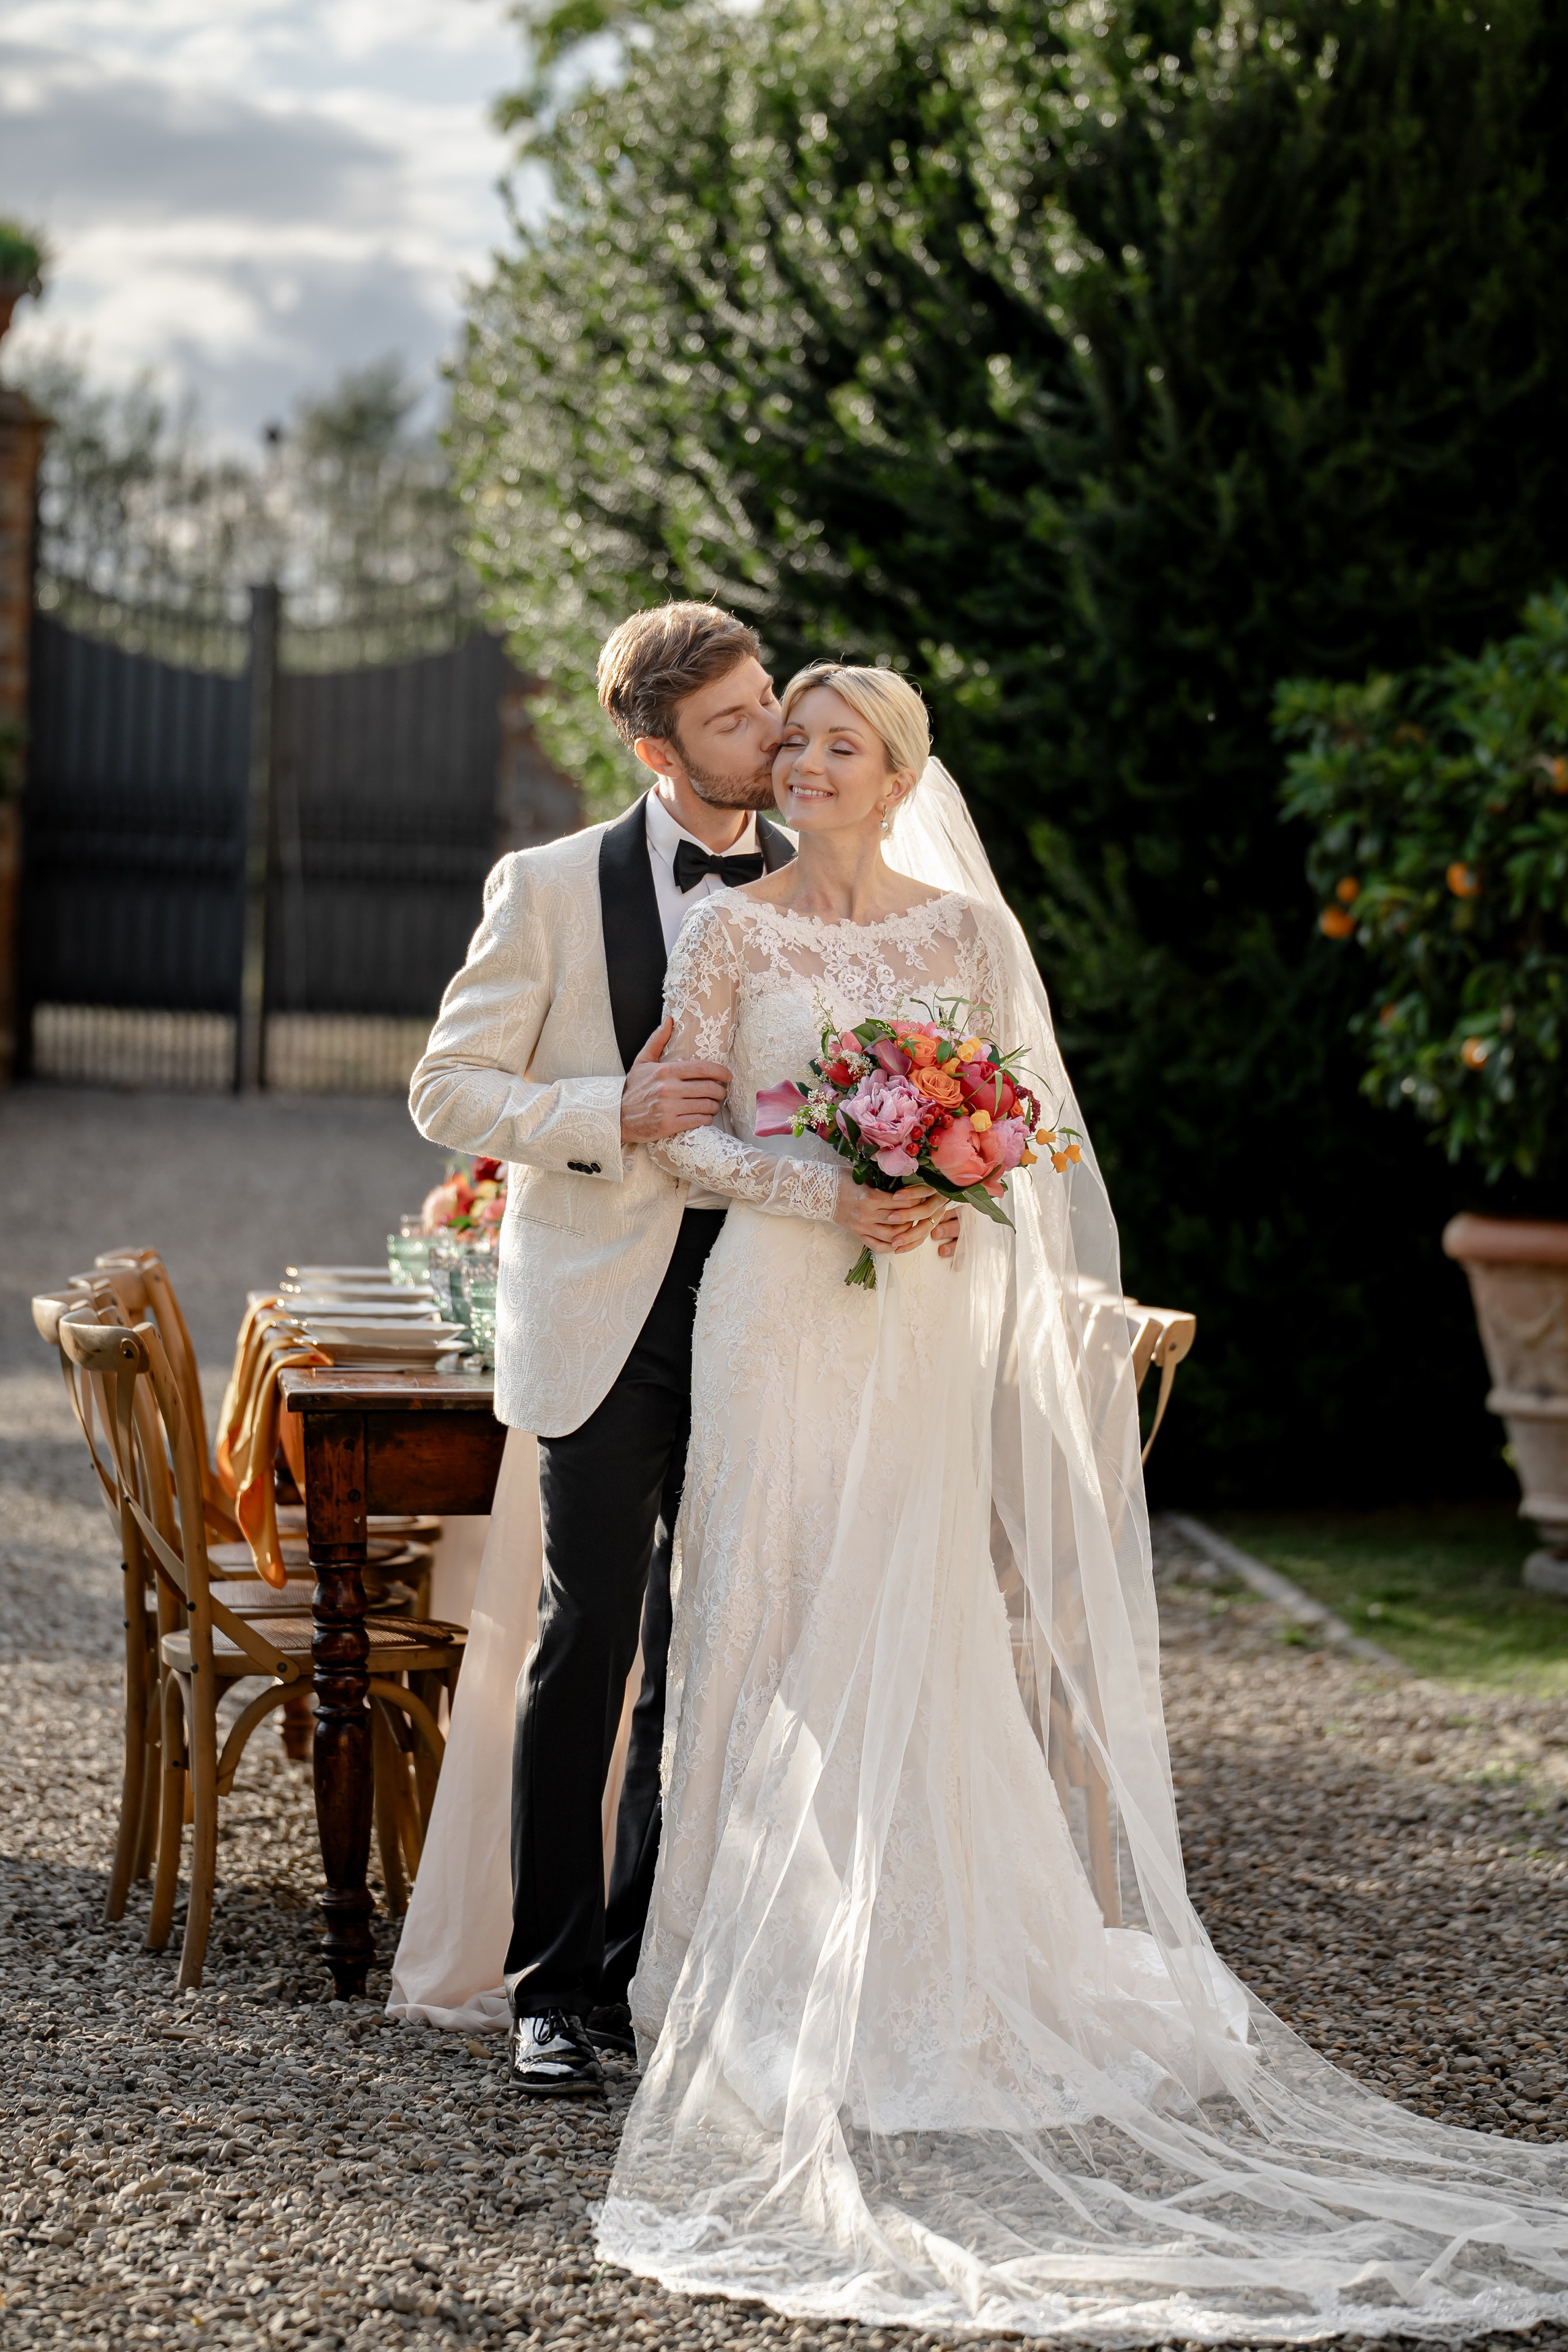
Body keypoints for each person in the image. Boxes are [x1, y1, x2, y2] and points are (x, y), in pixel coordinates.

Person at [595, 663, 1568, 2340]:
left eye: (839, 747)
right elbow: (686, 1142)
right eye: (797, 743)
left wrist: (934, 1189)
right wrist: (832, 1185)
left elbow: (1007, 1138)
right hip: (770, 1312)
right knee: (758, 1602)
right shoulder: (734, 935)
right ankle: (732, 1987)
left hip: (910, 1331)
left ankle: (939, 1974)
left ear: (899, 776)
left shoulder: (966, 942)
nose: (808, 765)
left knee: (916, 1624)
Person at [400, 606, 959, 2095]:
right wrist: (607, 1113)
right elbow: (444, 1090)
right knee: (593, 1631)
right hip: (603, 1311)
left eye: (772, 703)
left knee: (723, 1629)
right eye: (733, 721)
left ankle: (664, 1956)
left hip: (780, 1313)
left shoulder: (817, 892)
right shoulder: (546, 886)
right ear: (657, 749)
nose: (773, 737)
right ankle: (553, 1986)